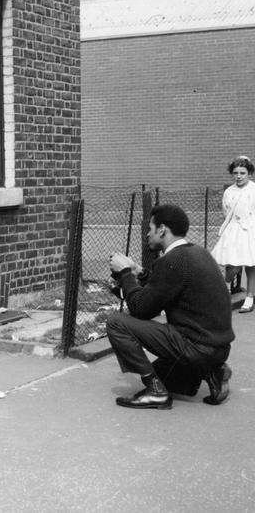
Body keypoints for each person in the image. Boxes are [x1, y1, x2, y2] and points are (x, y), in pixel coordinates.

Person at [107, 204, 235, 410]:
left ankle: (155, 392)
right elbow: (166, 288)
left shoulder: (173, 260)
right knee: (165, 375)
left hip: (196, 347)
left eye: (150, 228)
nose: (147, 234)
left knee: (116, 322)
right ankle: (213, 371)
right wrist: (138, 272)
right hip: (218, 349)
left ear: (162, 229)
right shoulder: (197, 252)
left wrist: (124, 274)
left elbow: (142, 309)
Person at [211, 155, 255, 313]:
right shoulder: (229, 191)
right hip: (235, 230)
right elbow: (226, 212)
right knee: (234, 265)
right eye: (235, 173)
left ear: (249, 173)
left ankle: (249, 299)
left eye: (242, 173)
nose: (239, 176)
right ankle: (226, 288)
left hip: (251, 229)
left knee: (251, 266)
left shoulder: (253, 189)